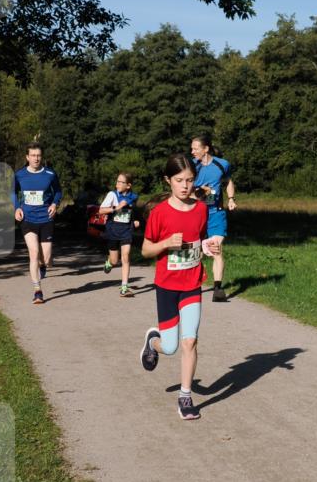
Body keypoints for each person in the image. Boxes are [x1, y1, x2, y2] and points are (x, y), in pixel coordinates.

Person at [139, 153, 218, 420]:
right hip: (167, 285)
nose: (185, 186)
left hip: (192, 283)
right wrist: (165, 244)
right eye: (179, 180)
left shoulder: (201, 209)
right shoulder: (159, 213)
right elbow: (146, 249)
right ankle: (153, 342)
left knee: (190, 341)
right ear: (168, 181)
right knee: (171, 346)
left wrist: (209, 246)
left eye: (190, 180)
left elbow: (200, 241)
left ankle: (185, 396)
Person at [13, 143, 62, 305]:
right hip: (28, 218)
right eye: (33, 155)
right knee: (33, 253)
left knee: (46, 258)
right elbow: (13, 192)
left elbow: (58, 191)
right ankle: (37, 290)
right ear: (27, 157)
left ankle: (43, 266)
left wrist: (55, 204)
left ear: (42, 157)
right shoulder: (19, 174)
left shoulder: (50, 174)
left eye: (38, 155)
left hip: (46, 218)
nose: (36, 158)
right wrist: (17, 208)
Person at [190, 136, 236, 302]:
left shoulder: (222, 164)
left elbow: (228, 181)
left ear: (206, 149)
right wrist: (200, 192)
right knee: (195, 251)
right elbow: (183, 188)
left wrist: (231, 199)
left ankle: (217, 289)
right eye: (192, 149)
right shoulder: (191, 166)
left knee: (216, 248)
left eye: (195, 148)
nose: (192, 152)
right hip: (195, 213)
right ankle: (192, 284)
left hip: (216, 214)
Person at [99, 172, 140, 297]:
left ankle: (124, 287)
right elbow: (101, 211)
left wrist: (135, 221)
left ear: (128, 185)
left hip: (126, 230)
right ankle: (109, 263)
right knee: (114, 260)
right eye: (117, 181)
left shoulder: (133, 196)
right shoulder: (112, 195)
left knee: (126, 257)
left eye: (121, 182)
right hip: (113, 230)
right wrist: (115, 209)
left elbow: (132, 208)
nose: (117, 184)